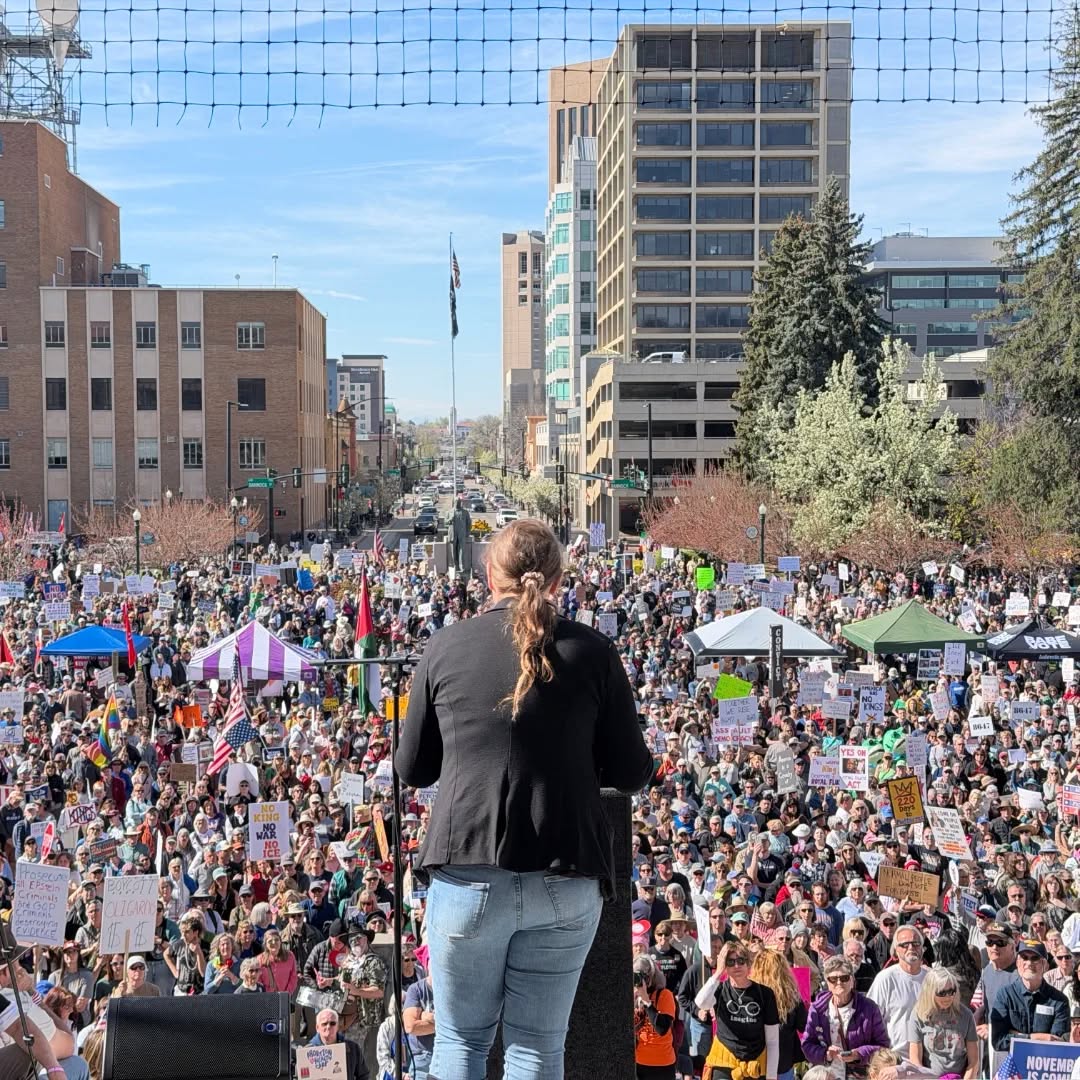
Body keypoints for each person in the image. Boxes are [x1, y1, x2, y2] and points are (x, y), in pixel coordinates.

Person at [395, 519, 654, 1079]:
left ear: (490, 575)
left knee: (459, 1041)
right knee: (537, 1048)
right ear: (558, 579)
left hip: (466, 872)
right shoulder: (593, 652)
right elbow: (633, 773)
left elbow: (413, 768)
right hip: (566, 874)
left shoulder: (446, 647)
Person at [696, 942, 780, 1080]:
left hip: (755, 1065)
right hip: (724, 1061)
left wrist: (771, 1076)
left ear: (748, 964)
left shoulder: (765, 994)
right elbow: (701, 1002)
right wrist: (718, 972)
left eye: (741, 961)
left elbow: (772, 1040)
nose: (736, 966)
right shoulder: (719, 989)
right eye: (730, 962)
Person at [802, 955, 890, 1080]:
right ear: (827, 983)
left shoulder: (869, 1008)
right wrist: (826, 1054)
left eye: (844, 978)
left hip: (859, 1075)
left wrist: (858, 1054)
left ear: (852, 980)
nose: (839, 983)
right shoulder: (817, 1009)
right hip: (827, 1074)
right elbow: (807, 1045)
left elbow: (883, 1047)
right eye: (833, 979)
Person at [990, 938, 1070, 1049]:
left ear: (1045, 965)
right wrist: (1033, 1037)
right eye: (1024, 958)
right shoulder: (1005, 995)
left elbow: (1056, 1044)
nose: (1029, 963)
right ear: (1017, 963)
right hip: (1013, 1060)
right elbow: (999, 1041)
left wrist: (1016, 1036)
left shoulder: (1059, 1001)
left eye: (1035, 958)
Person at [906, 967, 978, 1079]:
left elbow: (973, 1061)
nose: (948, 997)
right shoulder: (919, 1015)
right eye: (942, 992)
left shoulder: (966, 1015)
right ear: (930, 992)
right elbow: (915, 1060)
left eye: (951, 991)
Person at [866, 926, 929, 1052]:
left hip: (928, 1057)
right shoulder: (885, 978)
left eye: (916, 944)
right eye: (905, 944)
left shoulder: (931, 979)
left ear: (922, 948)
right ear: (896, 950)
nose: (911, 948)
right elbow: (871, 1019)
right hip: (896, 1055)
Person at [750, 949, 807, 1080]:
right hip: (783, 1062)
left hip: (756, 1063)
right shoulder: (791, 997)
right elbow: (803, 1026)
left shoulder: (751, 995)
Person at [634, 954, 677, 1080]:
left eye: (642, 976)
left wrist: (647, 1001)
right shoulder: (634, 998)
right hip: (640, 1062)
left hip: (663, 1064)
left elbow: (662, 1029)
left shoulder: (665, 995)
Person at [309, 1007, 370, 1080]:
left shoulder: (352, 1048)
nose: (328, 1027)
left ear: (337, 1026)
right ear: (317, 1028)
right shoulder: (307, 1052)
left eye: (332, 1023)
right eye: (324, 1024)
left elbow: (363, 1075)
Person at [402, 970, 435, 1080]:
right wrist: (444, 1024)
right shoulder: (416, 989)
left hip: (450, 1055)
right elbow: (411, 1027)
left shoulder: (454, 988)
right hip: (423, 1058)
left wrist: (428, 1017)